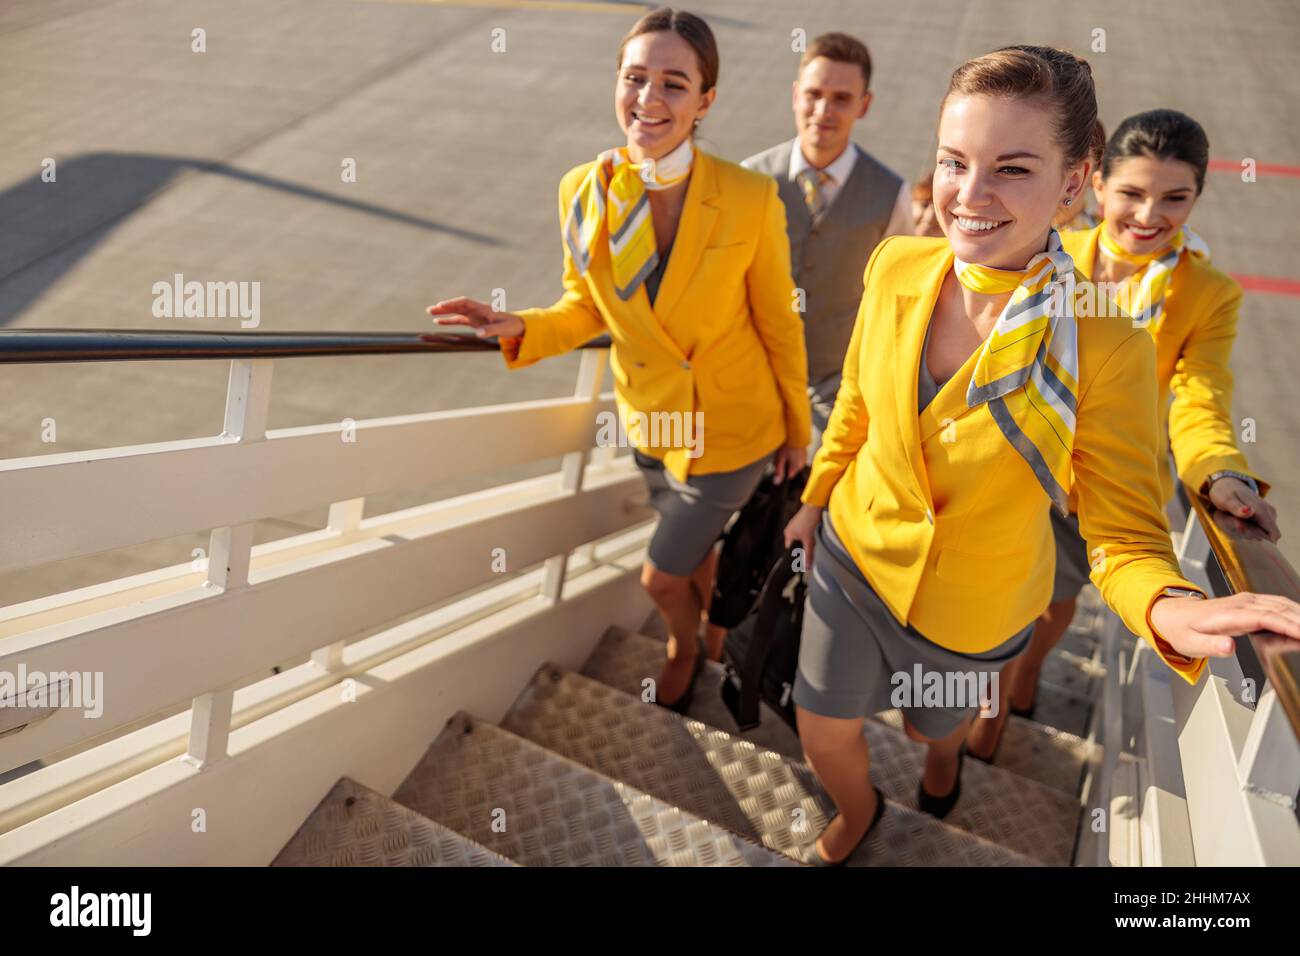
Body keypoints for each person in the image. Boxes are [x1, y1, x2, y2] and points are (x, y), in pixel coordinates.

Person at [782, 46, 1300, 866]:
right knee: (821, 723)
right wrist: (814, 497)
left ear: (1070, 182)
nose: (970, 196)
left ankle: (946, 758)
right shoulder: (895, 266)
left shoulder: (1111, 344)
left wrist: (1173, 607)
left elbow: (1125, 529)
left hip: (977, 600)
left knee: (934, 729)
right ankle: (858, 810)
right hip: (855, 555)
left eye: (1011, 169)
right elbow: (853, 401)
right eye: (955, 162)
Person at [427, 8, 810, 712]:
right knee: (691, 555)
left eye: (673, 83)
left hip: (731, 429)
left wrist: (797, 429)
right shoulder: (584, 191)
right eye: (635, 79)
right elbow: (586, 307)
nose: (649, 99)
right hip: (655, 429)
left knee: (660, 578)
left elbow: (779, 323)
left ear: (705, 101)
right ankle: (711, 635)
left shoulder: (751, 199)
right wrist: (520, 323)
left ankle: (684, 645)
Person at [968, 109, 1280, 759]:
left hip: (1098, 492)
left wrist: (1222, 472)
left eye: (1175, 198)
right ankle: (993, 703)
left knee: (1049, 612)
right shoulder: (1048, 252)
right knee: (998, 607)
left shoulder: (1208, 295)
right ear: (1098, 186)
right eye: (1132, 193)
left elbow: (1199, 402)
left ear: (1197, 198)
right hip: (1021, 471)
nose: (1148, 216)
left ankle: (1012, 692)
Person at [742, 33, 910, 456]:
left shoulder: (892, 193)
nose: (823, 111)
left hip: (836, 384)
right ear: (795, 95)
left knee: (816, 490)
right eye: (814, 95)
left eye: (841, 98)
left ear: (864, 105)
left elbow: (893, 299)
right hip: (750, 374)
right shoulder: (750, 179)